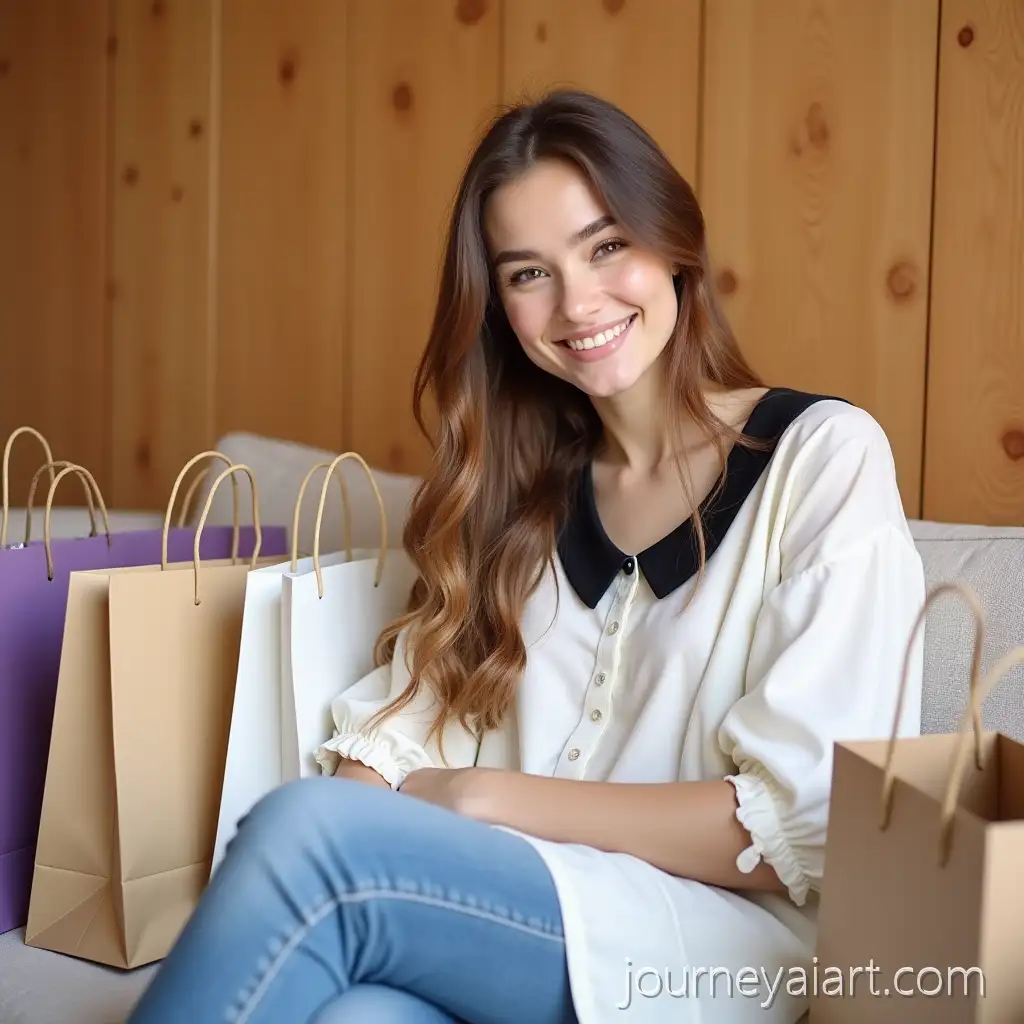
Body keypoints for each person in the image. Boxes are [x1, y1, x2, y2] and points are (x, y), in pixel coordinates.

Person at [128, 89, 925, 1024]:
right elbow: (395, 740)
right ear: (498, 305)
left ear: (672, 242)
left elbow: (800, 823)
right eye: (527, 273)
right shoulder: (512, 493)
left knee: (307, 834)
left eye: (606, 246)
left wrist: (482, 797)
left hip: (718, 962)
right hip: (515, 930)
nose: (578, 302)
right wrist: (374, 813)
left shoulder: (821, 457)